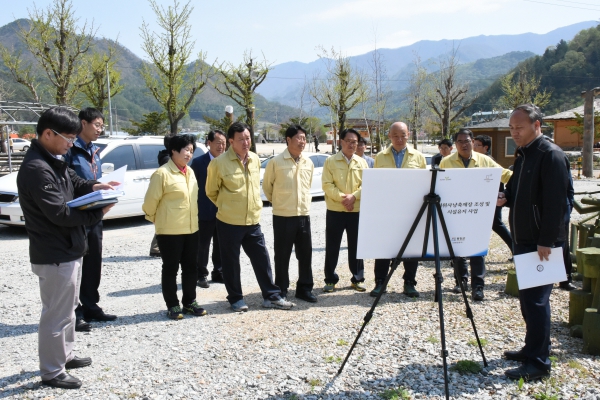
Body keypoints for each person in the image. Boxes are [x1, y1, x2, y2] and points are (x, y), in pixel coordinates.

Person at [17, 107, 116, 389]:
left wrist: (94, 185)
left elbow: (74, 181)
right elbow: (59, 214)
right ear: (48, 134)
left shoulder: (54, 159)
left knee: (68, 309)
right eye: (68, 138)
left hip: (67, 248)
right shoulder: (37, 168)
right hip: (54, 251)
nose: (71, 144)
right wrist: (97, 213)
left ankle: (65, 355)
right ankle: (51, 371)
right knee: (56, 314)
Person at [497, 104, 571, 381]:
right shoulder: (525, 154)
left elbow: (557, 204)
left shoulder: (550, 154)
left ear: (537, 126)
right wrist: (506, 198)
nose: (515, 133)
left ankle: (539, 363)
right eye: (512, 128)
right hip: (523, 238)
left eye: (520, 128)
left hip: (541, 243)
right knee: (528, 300)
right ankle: (533, 348)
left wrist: (548, 241)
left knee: (537, 301)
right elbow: (519, 191)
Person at [206, 122, 293, 312]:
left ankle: (271, 296)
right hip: (229, 222)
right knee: (231, 263)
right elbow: (211, 192)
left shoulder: (254, 159)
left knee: (262, 259)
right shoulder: (218, 163)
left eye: (248, 138)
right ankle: (236, 298)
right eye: (241, 139)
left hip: (253, 221)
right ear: (231, 142)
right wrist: (227, 206)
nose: (246, 142)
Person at [439, 128, 512, 301]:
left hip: (478, 212)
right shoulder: (446, 162)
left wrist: (518, 185)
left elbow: (507, 176)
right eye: (460, 142)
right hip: (455, 212)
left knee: (477, 250)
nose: (464, 144)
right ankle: (460, 281)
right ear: (455, 144)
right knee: (457, 249)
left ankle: (478, 287)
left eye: (467, 141)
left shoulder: (485, 161)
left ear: (473, 141)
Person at [142, 134, 207, 320]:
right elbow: (149, 204)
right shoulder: (162, 174)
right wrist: (157, 219)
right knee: (170, 269)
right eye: (186, 149)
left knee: (191, 268)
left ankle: (189, 302)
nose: (189, 154)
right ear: (173, 151)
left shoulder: (190, 172)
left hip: (191, 229)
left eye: (192, 151)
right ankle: (172, 305)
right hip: (169, 231)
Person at [64, 108, 116, 332]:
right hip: (76, 215)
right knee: (77, 264)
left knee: (94, 259)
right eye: (96, 124)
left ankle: (91, 304)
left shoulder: (95, 150)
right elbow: (67, 182)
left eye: (102, 125)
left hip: (95, 213)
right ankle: (74, 312)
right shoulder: (69, 149)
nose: (100, 129)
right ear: (82, 123)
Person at [371, 121, 427, 298]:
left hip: (411, 210)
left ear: (408, 135)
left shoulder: (418, 157)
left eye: (403, 135)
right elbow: (377, 184)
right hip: (387, 210)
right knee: (383, 247)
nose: (399, 138)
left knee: (411, 247)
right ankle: (380, 282)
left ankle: (409, 283)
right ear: (389, 136)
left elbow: (424, 183)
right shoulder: (380, 157)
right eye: (395, 135)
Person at [263, 124, 316, 303]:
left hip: (303, 214)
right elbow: (267, 187)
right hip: (283, 216)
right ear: (288, 140)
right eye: (299, 138)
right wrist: (279, 202)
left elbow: (307, 186)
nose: (302, 142)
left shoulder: (308, 162)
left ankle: (305, 288)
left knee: (305, 254)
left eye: (304, 138)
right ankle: (282, 289)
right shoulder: (276, 162)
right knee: (282, 254)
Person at [322, 128, 369, 293]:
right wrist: (344, 198)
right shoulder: (331, 161)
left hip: (356, 210)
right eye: (348, 141)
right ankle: (330, 279)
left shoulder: (362, 162)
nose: (351, 144)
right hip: (336, 210)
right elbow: (327, 185)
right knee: (332, 245)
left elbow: (367, 185)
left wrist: (354, 197)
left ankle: (357, 279)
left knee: (356, 246)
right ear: (341, 141)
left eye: (355, 142)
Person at [190, 130, 226, 288]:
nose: (221, 146)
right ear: (209, 143)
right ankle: (201, 274)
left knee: (221, 244)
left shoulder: (228, 161)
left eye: (224, 143)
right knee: (203, 245)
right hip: (204, 211)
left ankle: (218, 272)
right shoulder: (198, 163)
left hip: (223, 211)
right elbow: (192, 187)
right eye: (218, 142)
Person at [472, 134, 514, 260]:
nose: (474, 147)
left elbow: (501, 178)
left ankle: (516, 250)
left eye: (477, 145)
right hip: (485, 199)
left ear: (486, 147)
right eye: (474, 144)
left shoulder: (487, 160)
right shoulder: (476, 159)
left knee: (496, 223)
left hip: (494, 199)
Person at [149, 134, 174, 258]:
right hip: (165, 196)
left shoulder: (164, 156)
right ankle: (155, 247)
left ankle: (156, 247)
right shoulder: (167, 159)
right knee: (164, 224)